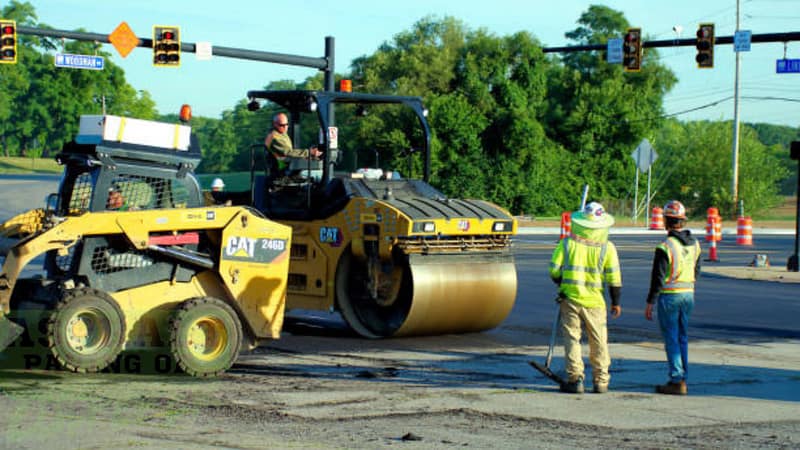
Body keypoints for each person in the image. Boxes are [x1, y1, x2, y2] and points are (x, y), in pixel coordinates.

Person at [549, 201, 622, 394]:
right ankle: (601, 381)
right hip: (595, 302)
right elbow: (614, 278)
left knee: (572, 339)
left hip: (570, 299)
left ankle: (575, 379)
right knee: (599, 341)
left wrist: (561, 281)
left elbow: (553, 269)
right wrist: (616, 302)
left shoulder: (566, 244)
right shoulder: (608, 248)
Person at [645, 200, 701, 396]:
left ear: (666, 221)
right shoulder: (695, 244)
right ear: (682, 221)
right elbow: (697, 270)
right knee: (682, 337)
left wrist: (650, 301)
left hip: (670, 296)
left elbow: (658, 277)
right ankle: (683, 377)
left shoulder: (665, 246)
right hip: (688, 294)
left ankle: (677, 379)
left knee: (671, 338)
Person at [264, 112, 322, 181]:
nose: (285, 127)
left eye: (287, 124)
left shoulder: (282, 133)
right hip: (281, 171)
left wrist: (309, 156)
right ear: (274, 124)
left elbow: (290, 153)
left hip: (287, 166)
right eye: (282, 125)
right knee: (319, 175)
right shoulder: (274, 137)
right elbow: (287, 152)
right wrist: (309, 152)